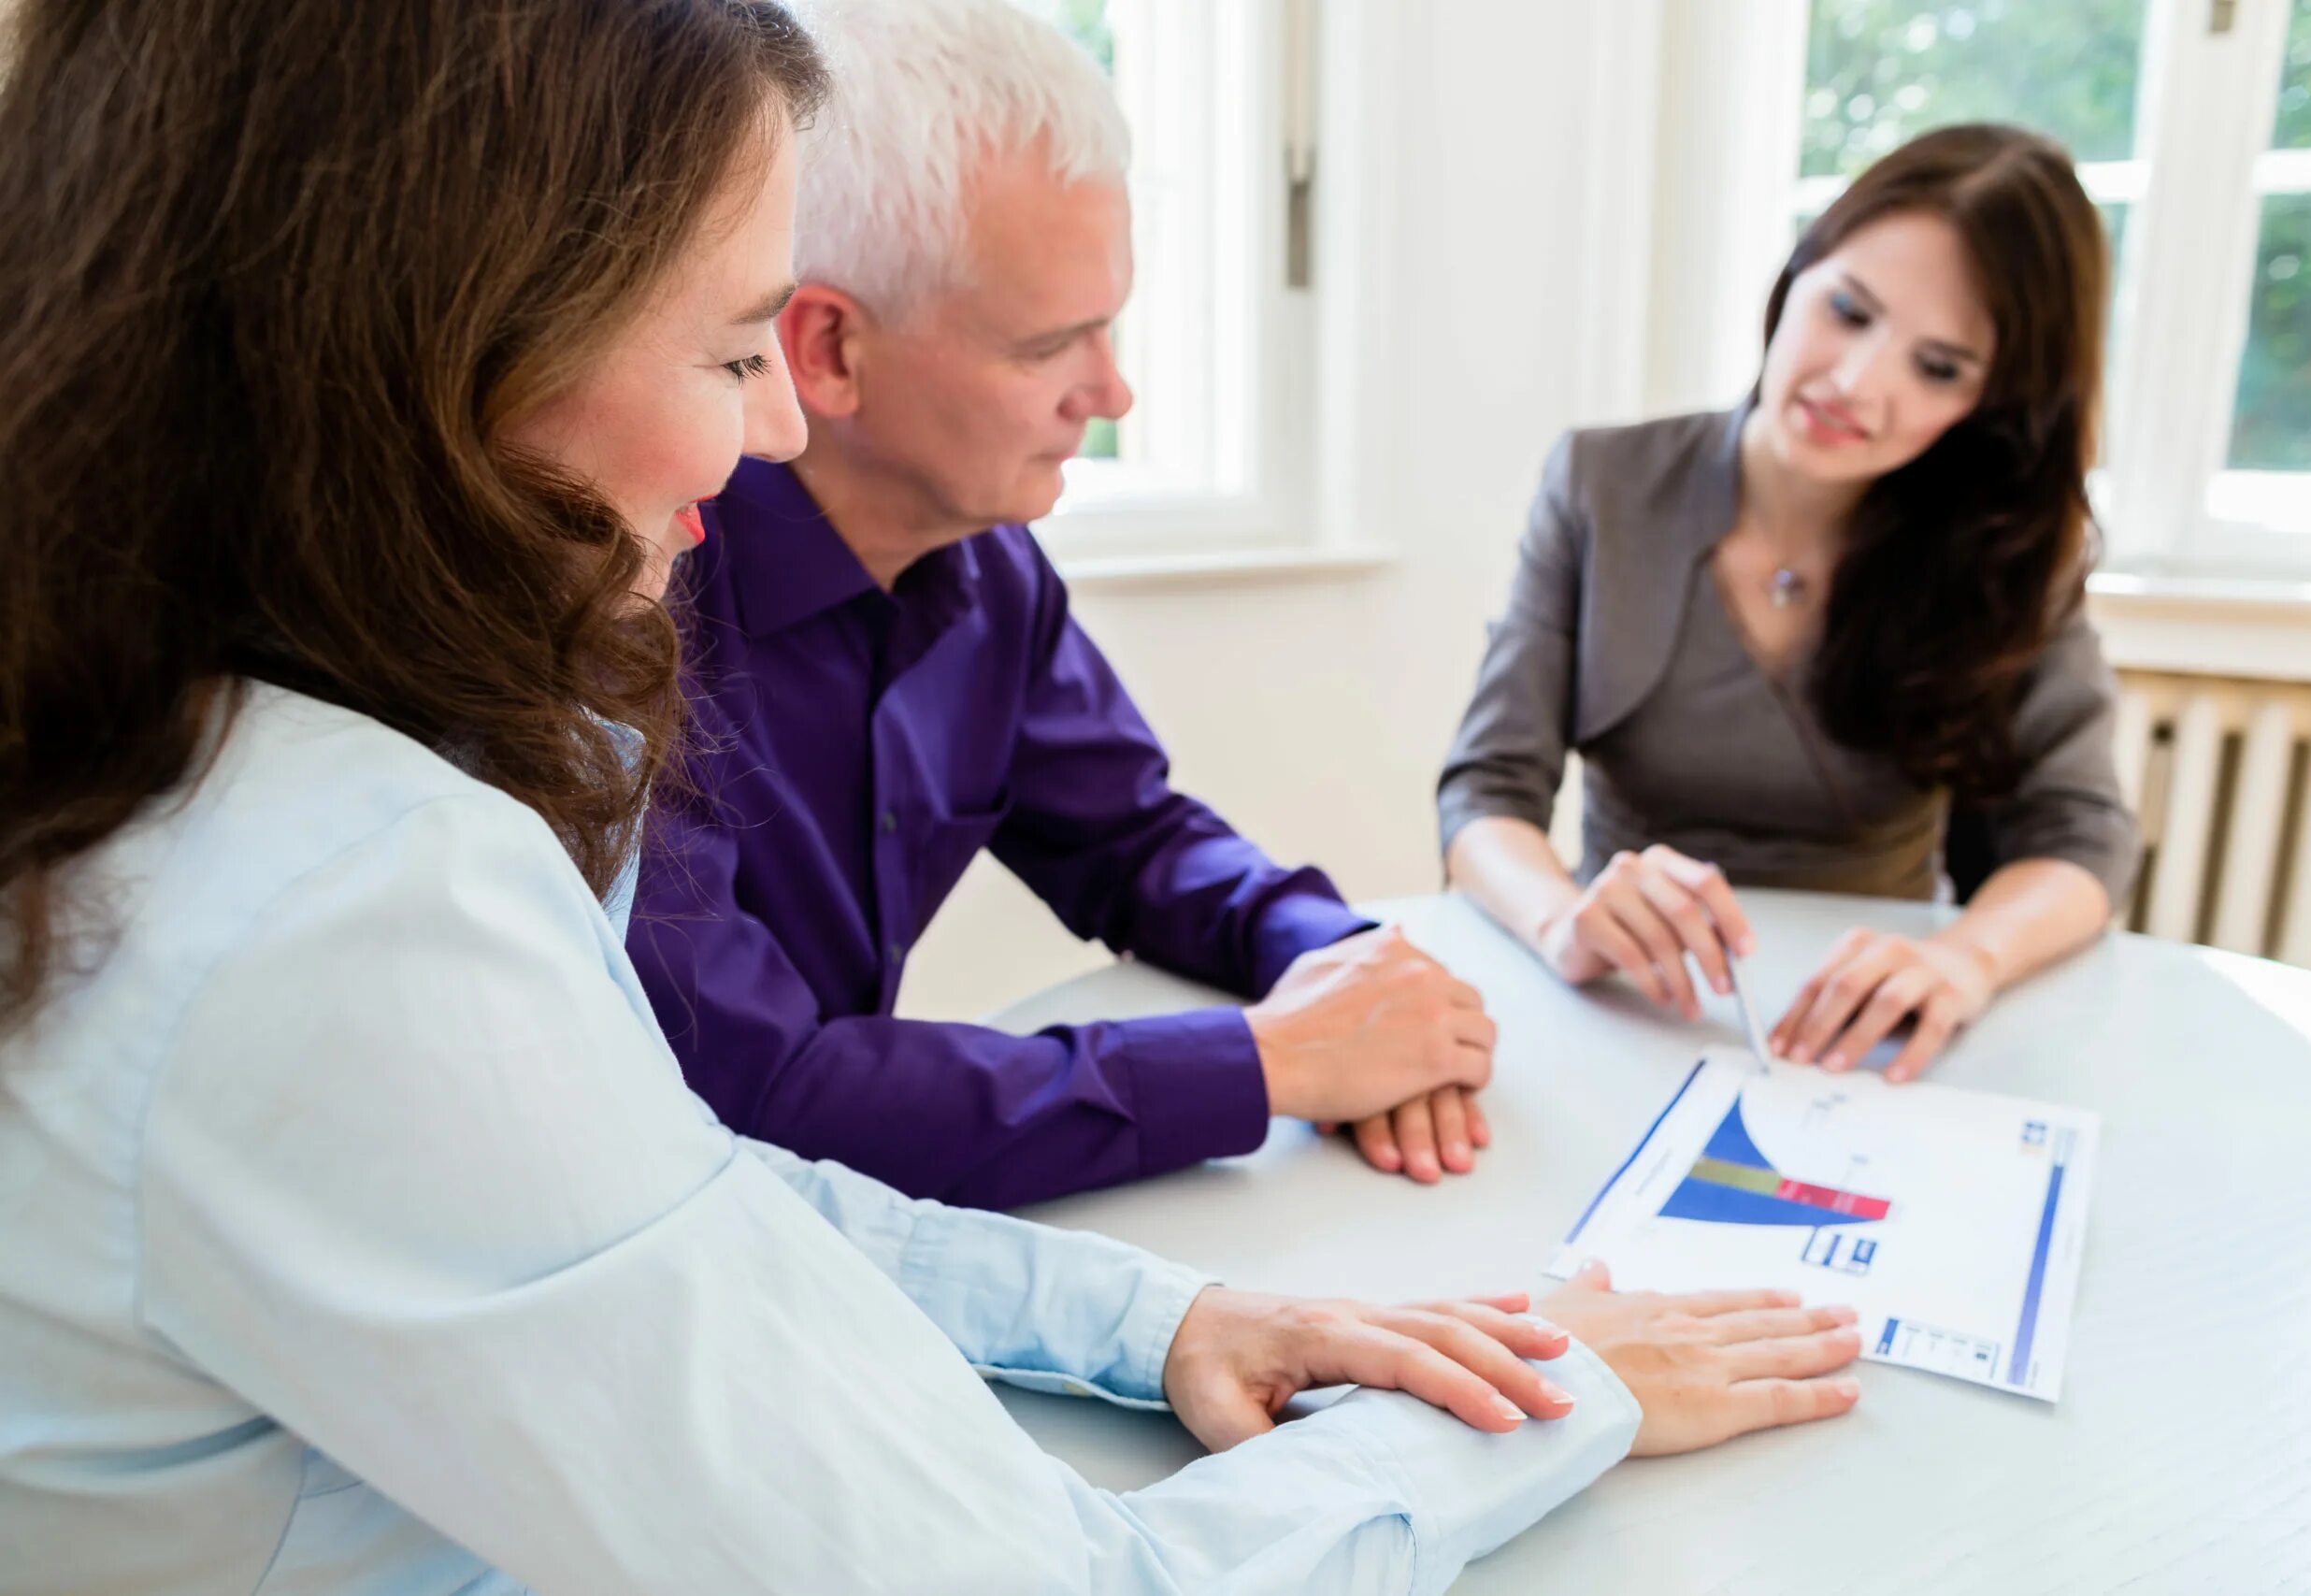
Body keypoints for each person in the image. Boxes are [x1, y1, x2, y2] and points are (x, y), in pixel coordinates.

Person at [0, 1, 1864, 1589]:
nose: (766, 439)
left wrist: (1166, 1307)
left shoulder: (236, 756)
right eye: (727, 352)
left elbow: (677, 1189)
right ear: (432, 351)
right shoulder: (360, 897)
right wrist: (1564, 1386)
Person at [631, 0, 1487, 1201]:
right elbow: (756, 1091)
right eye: (1051, 347)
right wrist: (1265, 1063)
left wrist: (1350, 968)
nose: (1114, 392)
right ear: (824, 351)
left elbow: (1131, 839)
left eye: (1112, 326)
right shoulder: (634, 611)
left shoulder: (983, 565)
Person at [1440, 124, 2139, 1084]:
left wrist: (1963, 959)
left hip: (1874, 1035)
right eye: (1848, 310)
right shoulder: (1601, 485)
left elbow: (2081, 835)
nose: (1855, 385)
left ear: (1991, 402)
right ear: (1795, 272)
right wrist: (1563, 918)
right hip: (1629, 1008)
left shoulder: (2008, 552)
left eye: (1937, 368)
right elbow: (1484, 792)